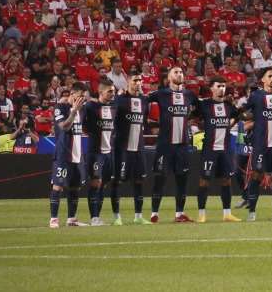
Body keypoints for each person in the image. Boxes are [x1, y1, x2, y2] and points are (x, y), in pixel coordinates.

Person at [237, 67, 272, 220]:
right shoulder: (256, 96)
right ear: (263, 80)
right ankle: (252, 212)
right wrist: (241, 116)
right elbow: (245, 112)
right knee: (256, 175)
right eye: (270, 76)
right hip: (261, 144)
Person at [147, 66, 199, 223]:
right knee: (160, 179)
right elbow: (143, 100)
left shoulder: (189, 94)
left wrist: (190, 118)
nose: (179, 74)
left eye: (181, 72)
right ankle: (154, 214)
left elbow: (200, 109)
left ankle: (179, 214)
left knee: (182, 180)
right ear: (169, 77)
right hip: (165, 145)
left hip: (182, 145)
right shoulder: (161, 94)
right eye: (176, 72)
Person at [195, 81, 241, 223]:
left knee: (226, 181)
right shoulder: (205, 104)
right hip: (210, 150)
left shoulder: (228, 105)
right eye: (218, 86)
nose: (221, 89)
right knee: (204, 181)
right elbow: (193, 116)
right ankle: (201, 214)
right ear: (211, 88)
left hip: (225, 150)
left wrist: (231, 124)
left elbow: (238, 115)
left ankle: (227, 214)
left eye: (223, 86)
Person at [111, 73, 150, 223]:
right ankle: (117, 217)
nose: (138, 83)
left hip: (139, 148)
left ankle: (138, 217)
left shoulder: (144, 100)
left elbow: (144, 120)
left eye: (140, 80)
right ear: (128, 83)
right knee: (118, 182)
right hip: (122, 149)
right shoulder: (119, 100)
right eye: (135, 80)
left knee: (139, 181)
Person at [81, 81, 118, 226]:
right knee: (95, 183)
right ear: (100, 92)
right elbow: (82, 124)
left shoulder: (114, 107)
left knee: (103, 185)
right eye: (110, 91)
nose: (113, 94)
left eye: (113, 91)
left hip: (109, 153)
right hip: (95, 152)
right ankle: (94, 218)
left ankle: (98, 217)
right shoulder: (91, 106)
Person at [49, 86, 86, 228]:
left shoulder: (82, 109)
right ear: (72, 94)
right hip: (63, 155)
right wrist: (74, 111)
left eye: (84, 96)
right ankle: (53, 219)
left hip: (78, 155)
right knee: (58, 186)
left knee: (75, 188)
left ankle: (71, 219)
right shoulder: (60, 108)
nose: (82, 99)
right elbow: (64, 127)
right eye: (80, 95)